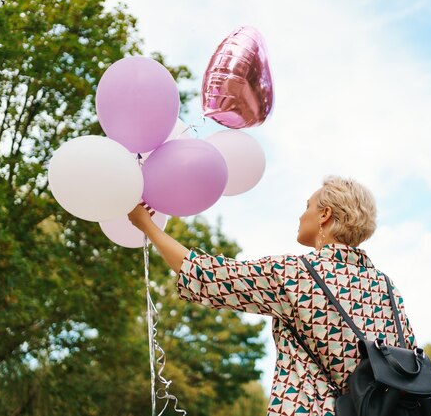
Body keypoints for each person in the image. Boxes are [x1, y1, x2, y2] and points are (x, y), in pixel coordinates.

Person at [128, 176, 416, 416]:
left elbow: (205, 274)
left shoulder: (296, 274)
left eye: (308, 207)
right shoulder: (387, 288)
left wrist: (147, 226)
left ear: (325, 215)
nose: (302, 215)